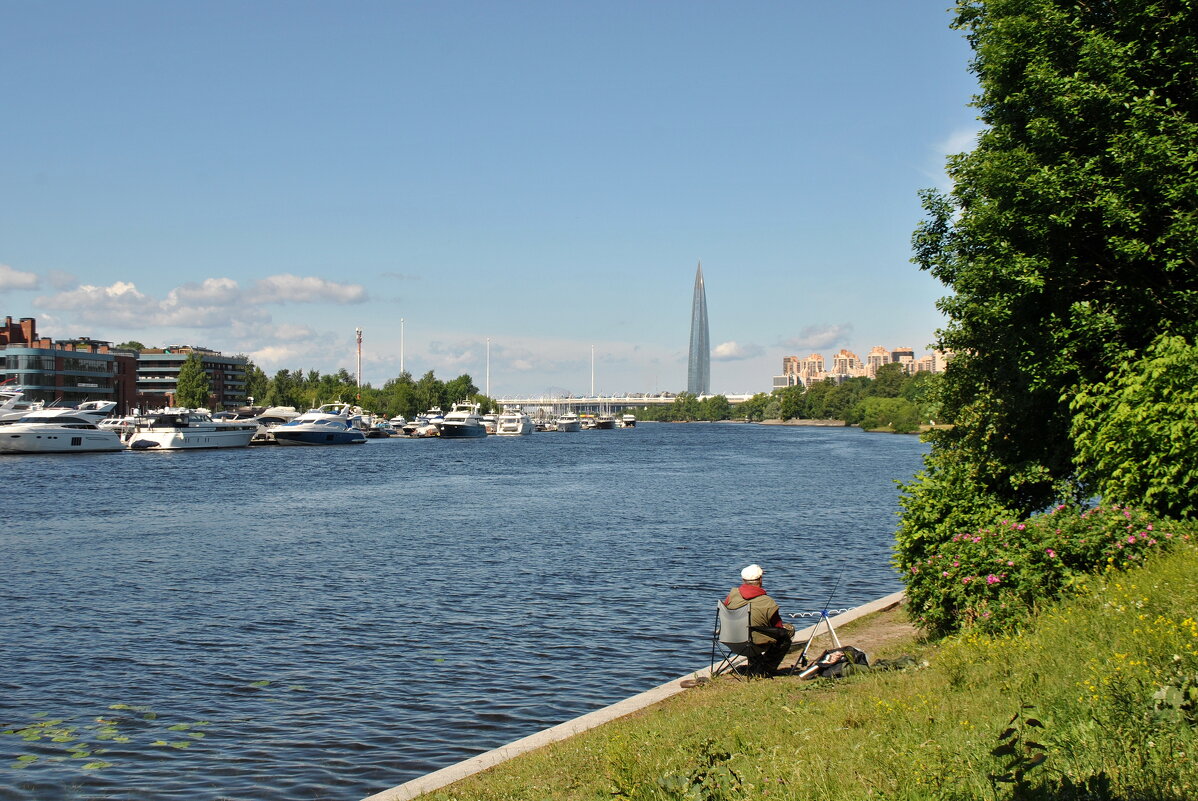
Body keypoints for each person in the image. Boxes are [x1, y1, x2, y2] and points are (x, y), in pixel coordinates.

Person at [723, 563, 795, 675]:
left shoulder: (732, 595)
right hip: (753, 644)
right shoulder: (768, 602)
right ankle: (765, 669)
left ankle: (755, 664)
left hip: (730, 640)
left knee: (750, 628)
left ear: (743, 580)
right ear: (760, 580)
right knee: (787, 632)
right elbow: (778, 628)